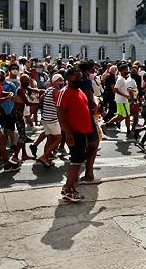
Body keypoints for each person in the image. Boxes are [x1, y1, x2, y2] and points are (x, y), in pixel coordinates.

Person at [57, 65, 94, 202]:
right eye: (76, 78)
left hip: (82, 131)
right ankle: (68, 190)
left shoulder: (79, 91)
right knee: (76, 161)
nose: (79, 79)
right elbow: (60, 112)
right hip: (74, 132)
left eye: (80, 77)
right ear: (68, 78)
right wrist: (67, 132)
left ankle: (69, 186)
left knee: (78, 160)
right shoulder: (64, 92)